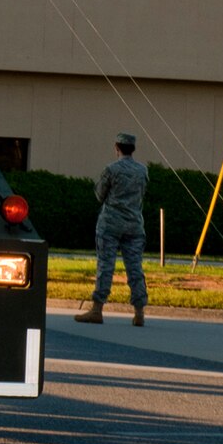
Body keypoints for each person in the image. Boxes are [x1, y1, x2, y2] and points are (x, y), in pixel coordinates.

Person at [76, 131, 150, 326]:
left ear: (117, 147)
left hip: (110, 223)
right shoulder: (143, 170)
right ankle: (139, 311)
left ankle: (97, 309)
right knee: (135, 267)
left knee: (106, 265)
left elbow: (100, 194)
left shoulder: (111, 169)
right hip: (134, 224)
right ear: (132, 149)